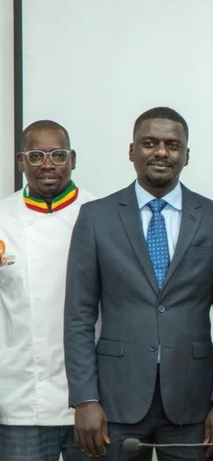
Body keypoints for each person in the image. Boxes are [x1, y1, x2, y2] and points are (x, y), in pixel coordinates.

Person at [63, 107, 213, 460]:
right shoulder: (96, 218)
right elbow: (79, 316)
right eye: (150, 143)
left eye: (172, 145)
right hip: (114, 401)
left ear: (186, 155)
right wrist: (84, 399)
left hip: (195, 404)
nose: (161, 152)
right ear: (132, 152)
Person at [0, 120, 94, 460]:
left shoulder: (102, 215)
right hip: (21, 400)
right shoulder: (2, 218)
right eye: (36, 155)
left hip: (93, 403)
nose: (48, 164)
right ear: (20, 162)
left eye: (58, 154)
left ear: (73, 159)